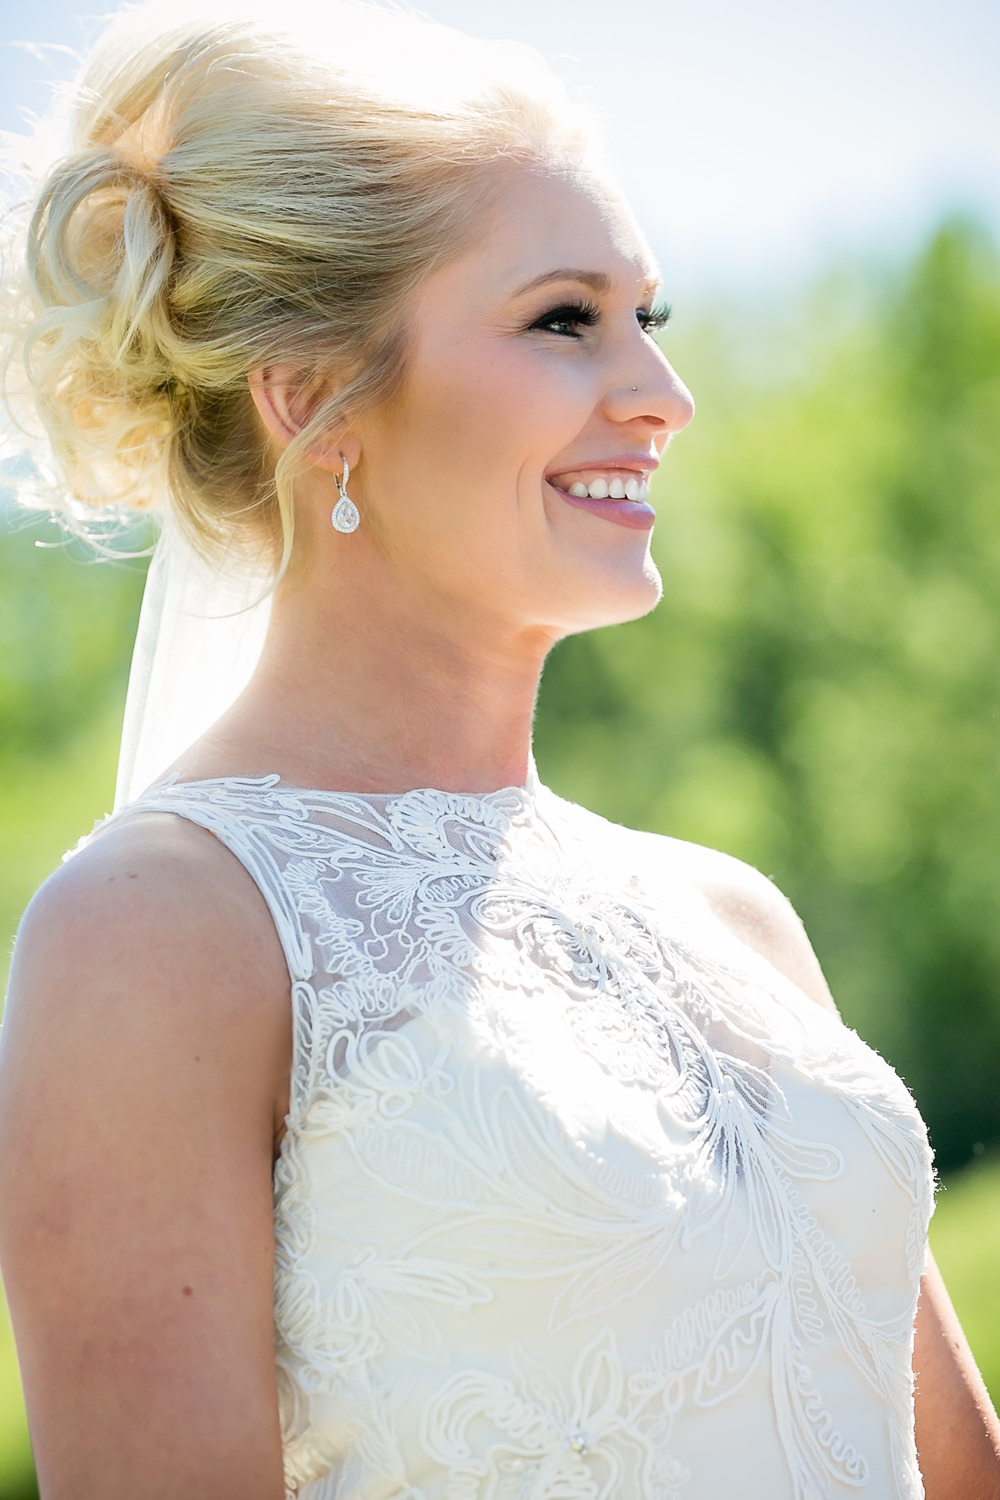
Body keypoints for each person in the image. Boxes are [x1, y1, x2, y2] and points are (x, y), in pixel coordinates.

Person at [0, 3, 997, 1497]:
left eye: (646, 317)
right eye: (561, 319)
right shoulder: (157, 934)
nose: (664, 397)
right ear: (312, 395)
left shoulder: (737, 918)